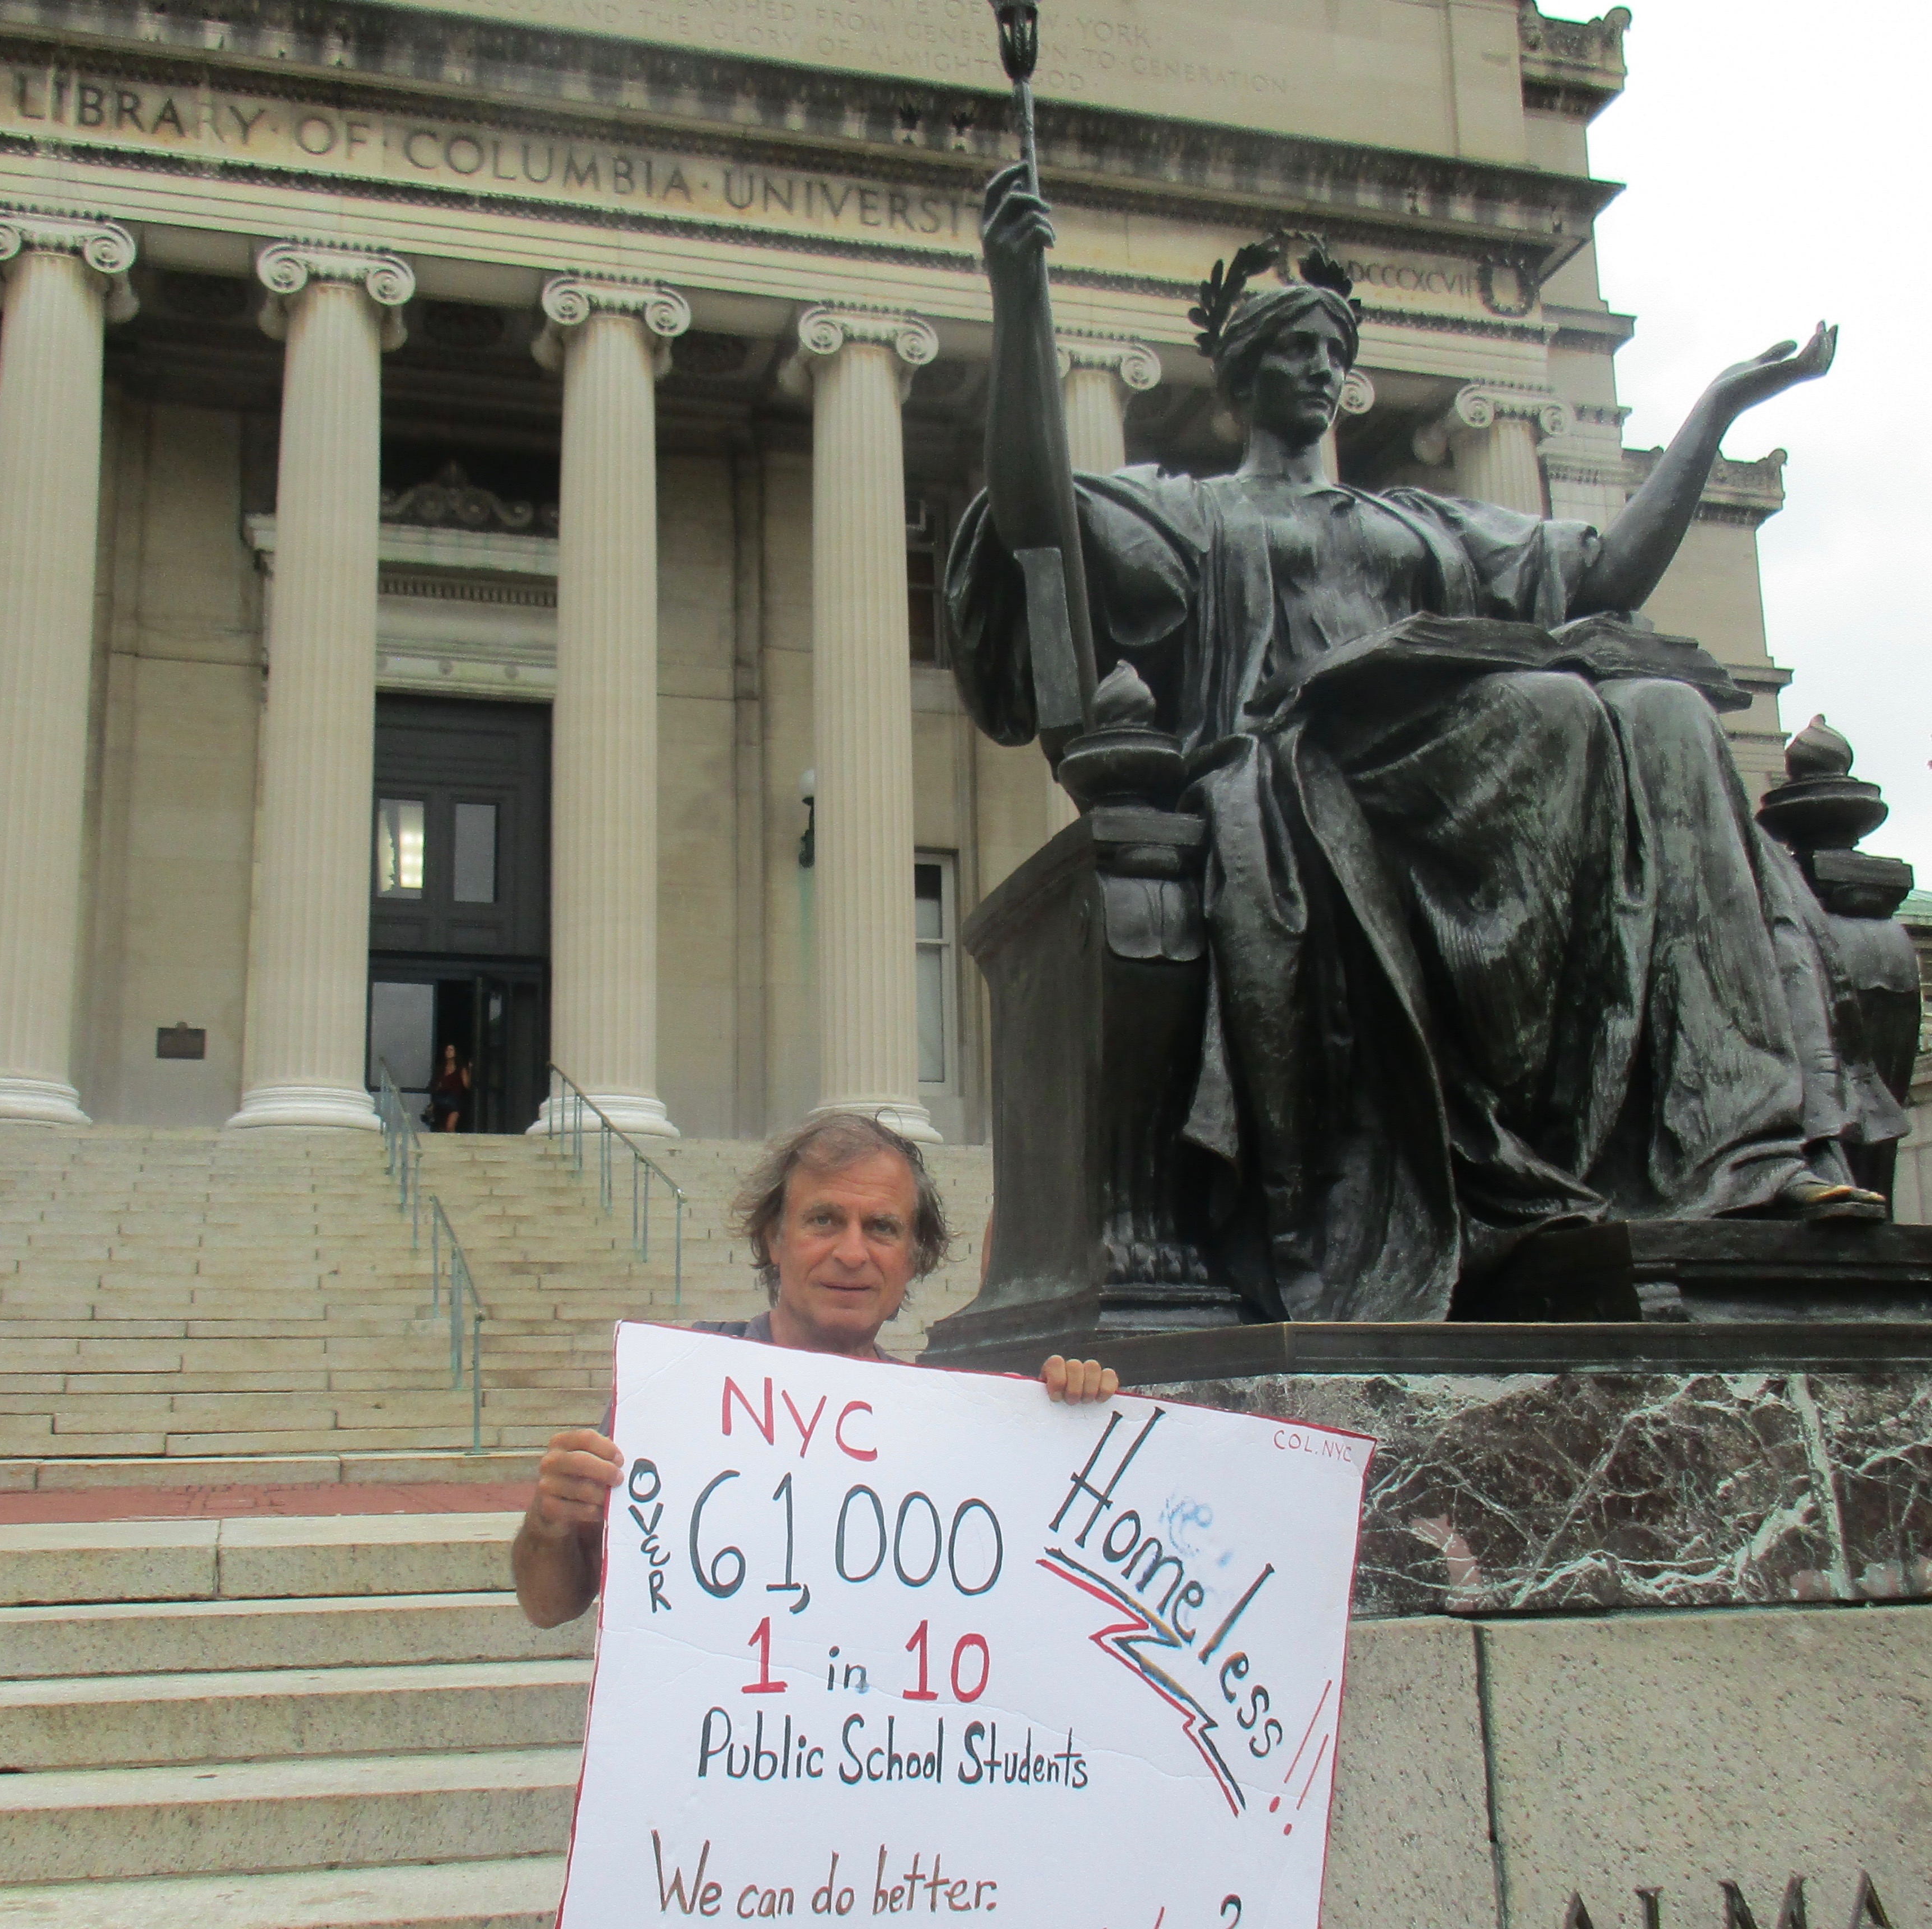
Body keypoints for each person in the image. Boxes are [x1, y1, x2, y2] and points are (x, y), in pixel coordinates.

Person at [949, 165, 1901, 1324]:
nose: (1320, 368)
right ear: (1242, 376)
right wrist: (1017, 297)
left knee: (1665, 713)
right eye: (1294, 348)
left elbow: (1600, 574)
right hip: (1308, 776)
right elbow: (1036, 510)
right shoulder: (1192, 512)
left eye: (1330, 351)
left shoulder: (1424, 521)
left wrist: (1713, 408)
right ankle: (1502, 1153)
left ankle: (1740, 1147)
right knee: (1547, 710)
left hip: (1470, 778)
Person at [513, 1113, 1119, 1628]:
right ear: (775, 1238)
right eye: (824, 1220)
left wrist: (1066, 1429)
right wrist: (550, 1523)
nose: (852, 1253)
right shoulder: (677, 1391)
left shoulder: (946, 1425)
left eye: (881, 1228)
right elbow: (549, 1606)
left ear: (913, 1258)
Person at [428, 1043, 471, 1132]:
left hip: (454, 1100)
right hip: (441, 1101)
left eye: (451, 1050)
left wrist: (470, 1071)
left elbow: (467, 1086)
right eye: (447, 1050)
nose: (449, 1052)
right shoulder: (441, 1069)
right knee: (441, 1129)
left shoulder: (460, 1069)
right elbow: (434, 1085)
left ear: (455, 1053)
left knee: (450, 1128)